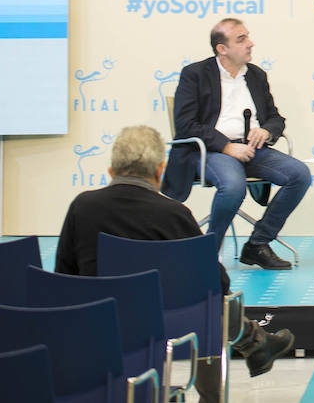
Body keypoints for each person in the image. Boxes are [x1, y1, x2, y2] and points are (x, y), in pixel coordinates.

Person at [56, 125, 295, 398]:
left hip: (97, 326)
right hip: (168, 329)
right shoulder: (173, 214)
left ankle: (255, 343)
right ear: (160, 171)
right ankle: (226, 377)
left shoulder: (82, 206)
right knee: (212, 305)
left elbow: (64, 274)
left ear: (111, 171)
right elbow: (217, 281)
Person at [160, 17, 312, 270]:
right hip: (209, 151)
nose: (250, 43)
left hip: (253, 150)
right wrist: (226, 146)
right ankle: (208, 253)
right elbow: (185, 124)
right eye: (241, 39)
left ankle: (257, 245)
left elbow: (276, 118)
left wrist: (265, 130)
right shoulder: (195, 74)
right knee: (233, 185)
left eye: (248, 37)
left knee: (300, 175)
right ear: (222, 48)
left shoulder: (256, 75)